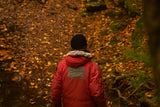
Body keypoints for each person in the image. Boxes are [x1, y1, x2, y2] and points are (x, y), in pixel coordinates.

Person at [51, 34, 106, 107]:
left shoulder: (62, 65)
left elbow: (56, 89)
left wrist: (57, 104)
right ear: (85, 46)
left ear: (72, 47)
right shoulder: (92, 67)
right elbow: (97, 92)